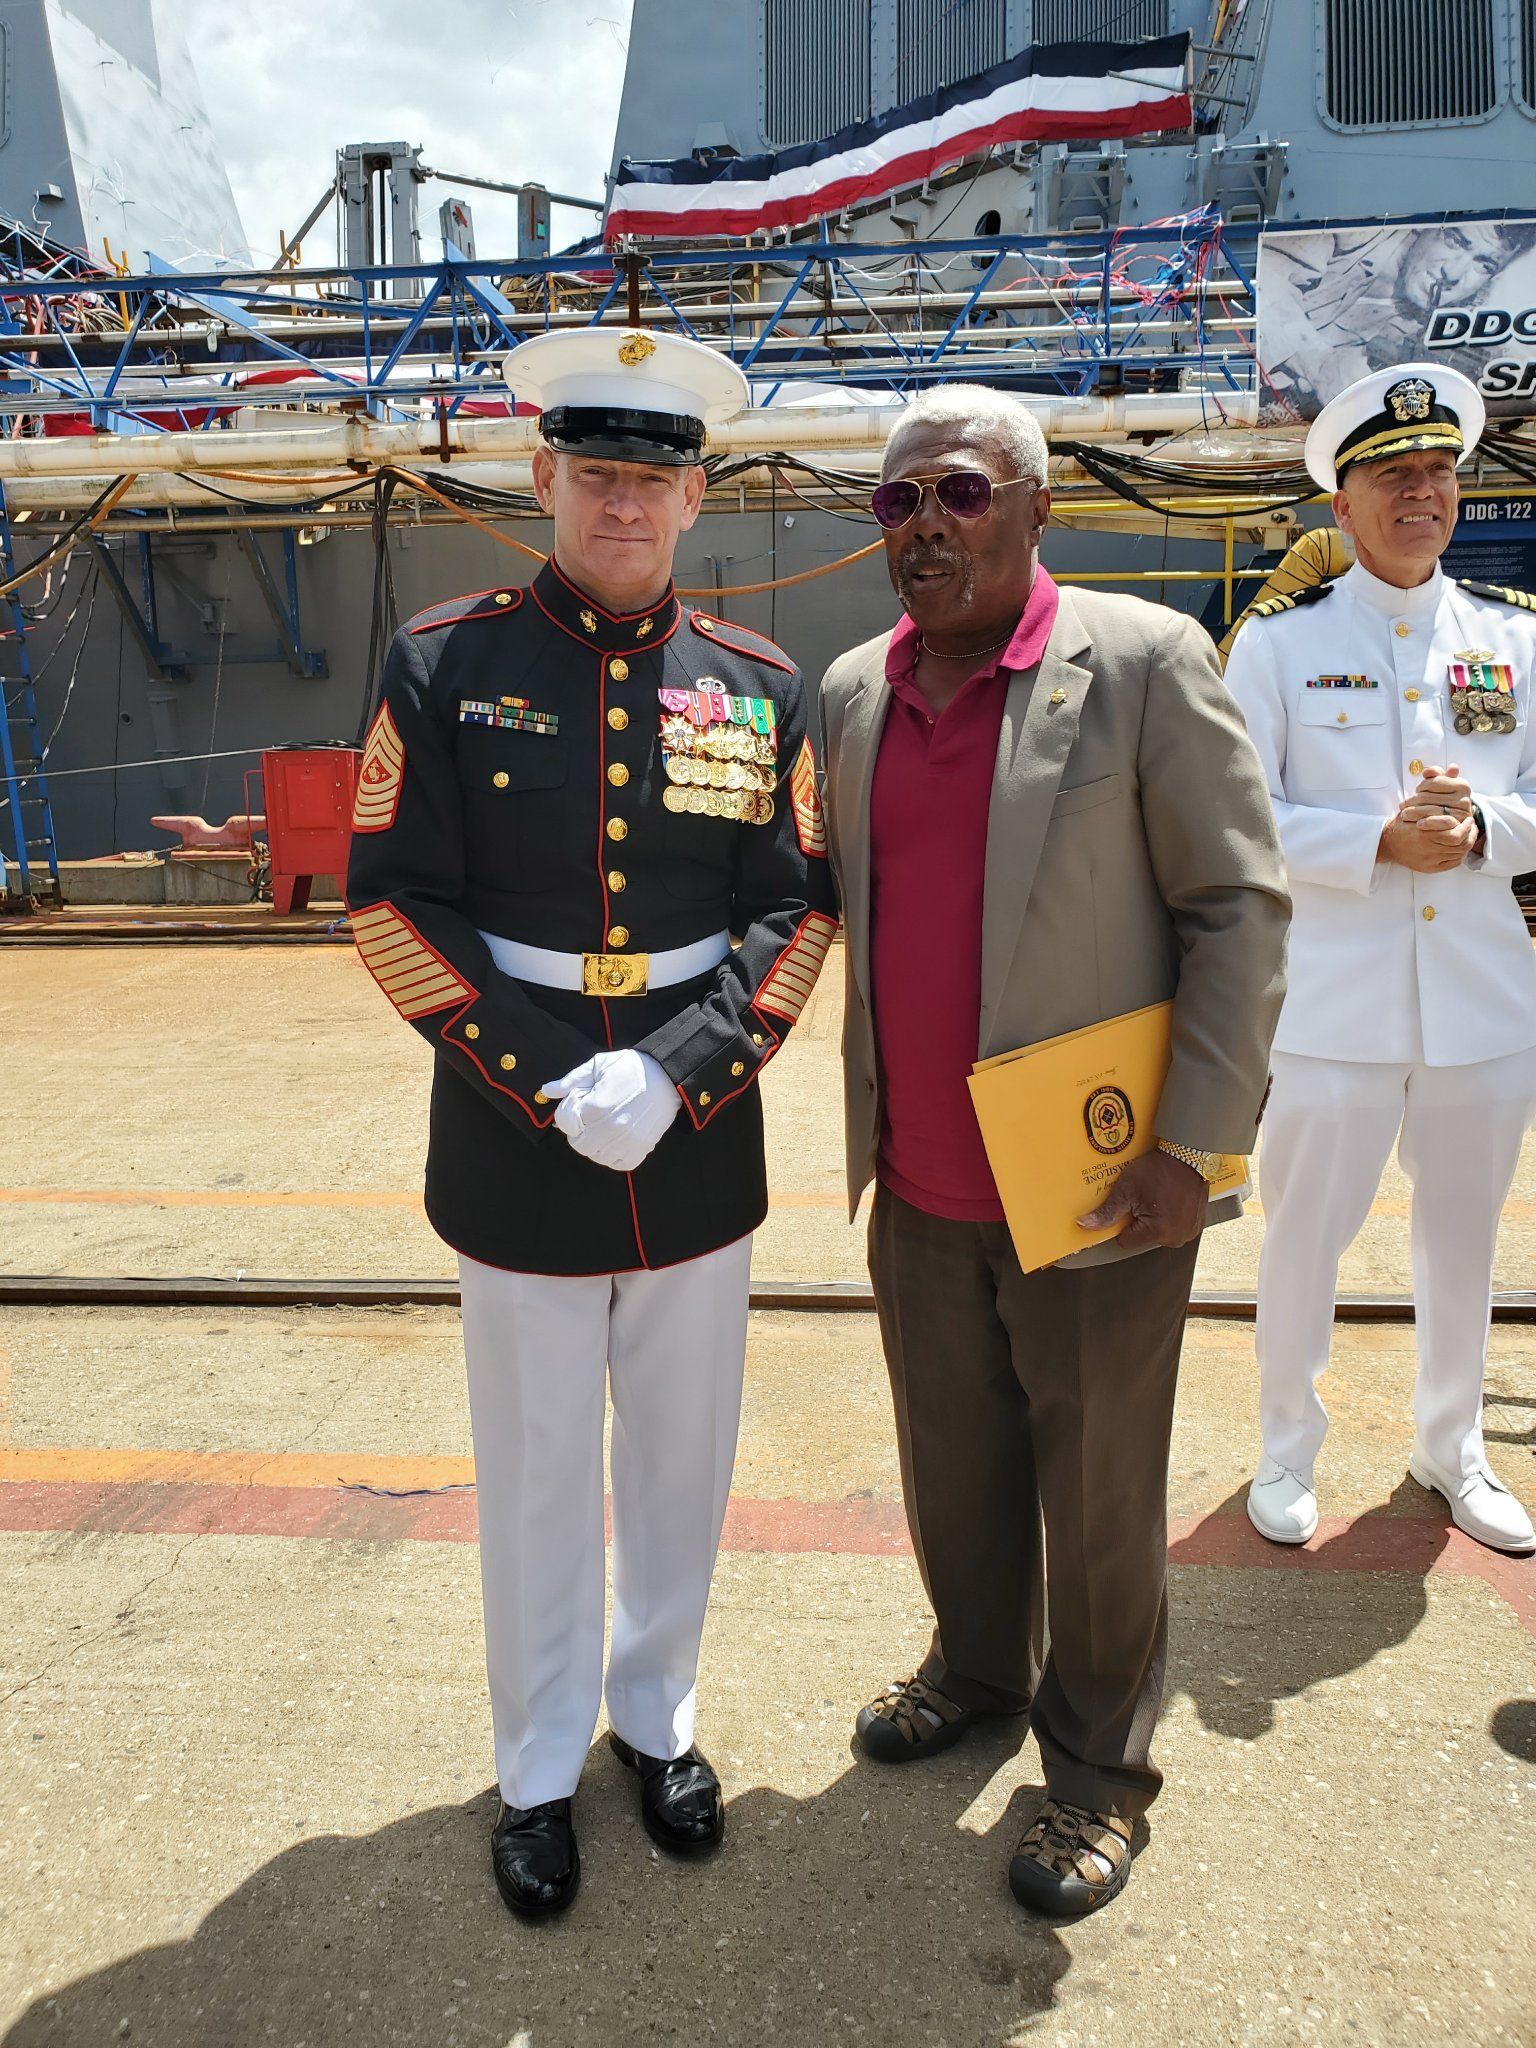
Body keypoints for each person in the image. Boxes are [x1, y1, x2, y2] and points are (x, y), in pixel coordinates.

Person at [345, 327, 837, 1918]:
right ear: (544, 479)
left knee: (684, 1460)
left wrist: (682, 1068)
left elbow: (795, 910)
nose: (624, 504)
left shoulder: (758, 685)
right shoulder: (446, 661)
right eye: (597, 474)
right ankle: (539, 1760)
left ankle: (658, 1716)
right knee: (540, 1469)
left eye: (653, 479)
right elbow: (390, 903)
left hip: (695, 1134)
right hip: (518, 1131)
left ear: (695, 499)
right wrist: (549, 1073)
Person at [818, 385, 1289, 1918]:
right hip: (922, 1178)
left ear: (1036, 507)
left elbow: (1237, 910)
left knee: (1097, 1495)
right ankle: (975, 1669)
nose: (925, 527)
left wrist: (1195, 1147)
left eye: (959, 494)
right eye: (897, 503)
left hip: (1099, 1181)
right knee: (952, 1464)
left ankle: (1096, 1772)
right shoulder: (852, 692)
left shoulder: (1142, 663)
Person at [1224, 363, 1536, 1557]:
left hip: (1482, 1005)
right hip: (1333, 1004)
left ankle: (1453, 1445)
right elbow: (1235, 816)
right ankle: (1285, 1446)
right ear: (1341, 503)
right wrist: (1372, 842)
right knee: (1306, 1234)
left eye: (1440, 471)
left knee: (1464, 1239)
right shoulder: (1282, 644)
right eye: (1394, 474)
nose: (1424, 492)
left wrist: (1481, 830)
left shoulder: (1512, 636)